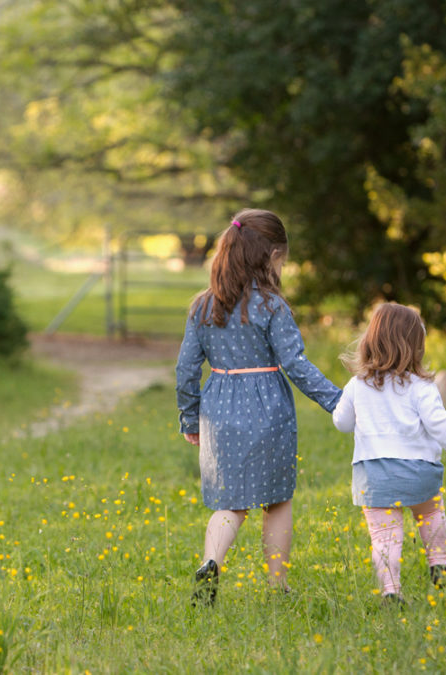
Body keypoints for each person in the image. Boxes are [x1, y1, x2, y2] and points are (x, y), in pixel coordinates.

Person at [175, 208, 342, 606]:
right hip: (268, 408)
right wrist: (337, 401)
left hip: (218, 409)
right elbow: (296, 364)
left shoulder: (202, 307)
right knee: (277, 500)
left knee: (229, 503)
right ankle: (277, 586)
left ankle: (210, 563)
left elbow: (185, 369)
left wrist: (189, 416)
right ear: (269, 256)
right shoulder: (272, 307)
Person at [332, 303, 446, 604]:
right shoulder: (422, 387)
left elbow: (342, 423)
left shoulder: (357, 385)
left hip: (374, 476)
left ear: (371, 340)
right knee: (431, 513)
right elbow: (440, 425)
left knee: (385, 536)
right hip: (418, 473)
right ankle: (439, 565)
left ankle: (391, 592)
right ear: (416, 346)